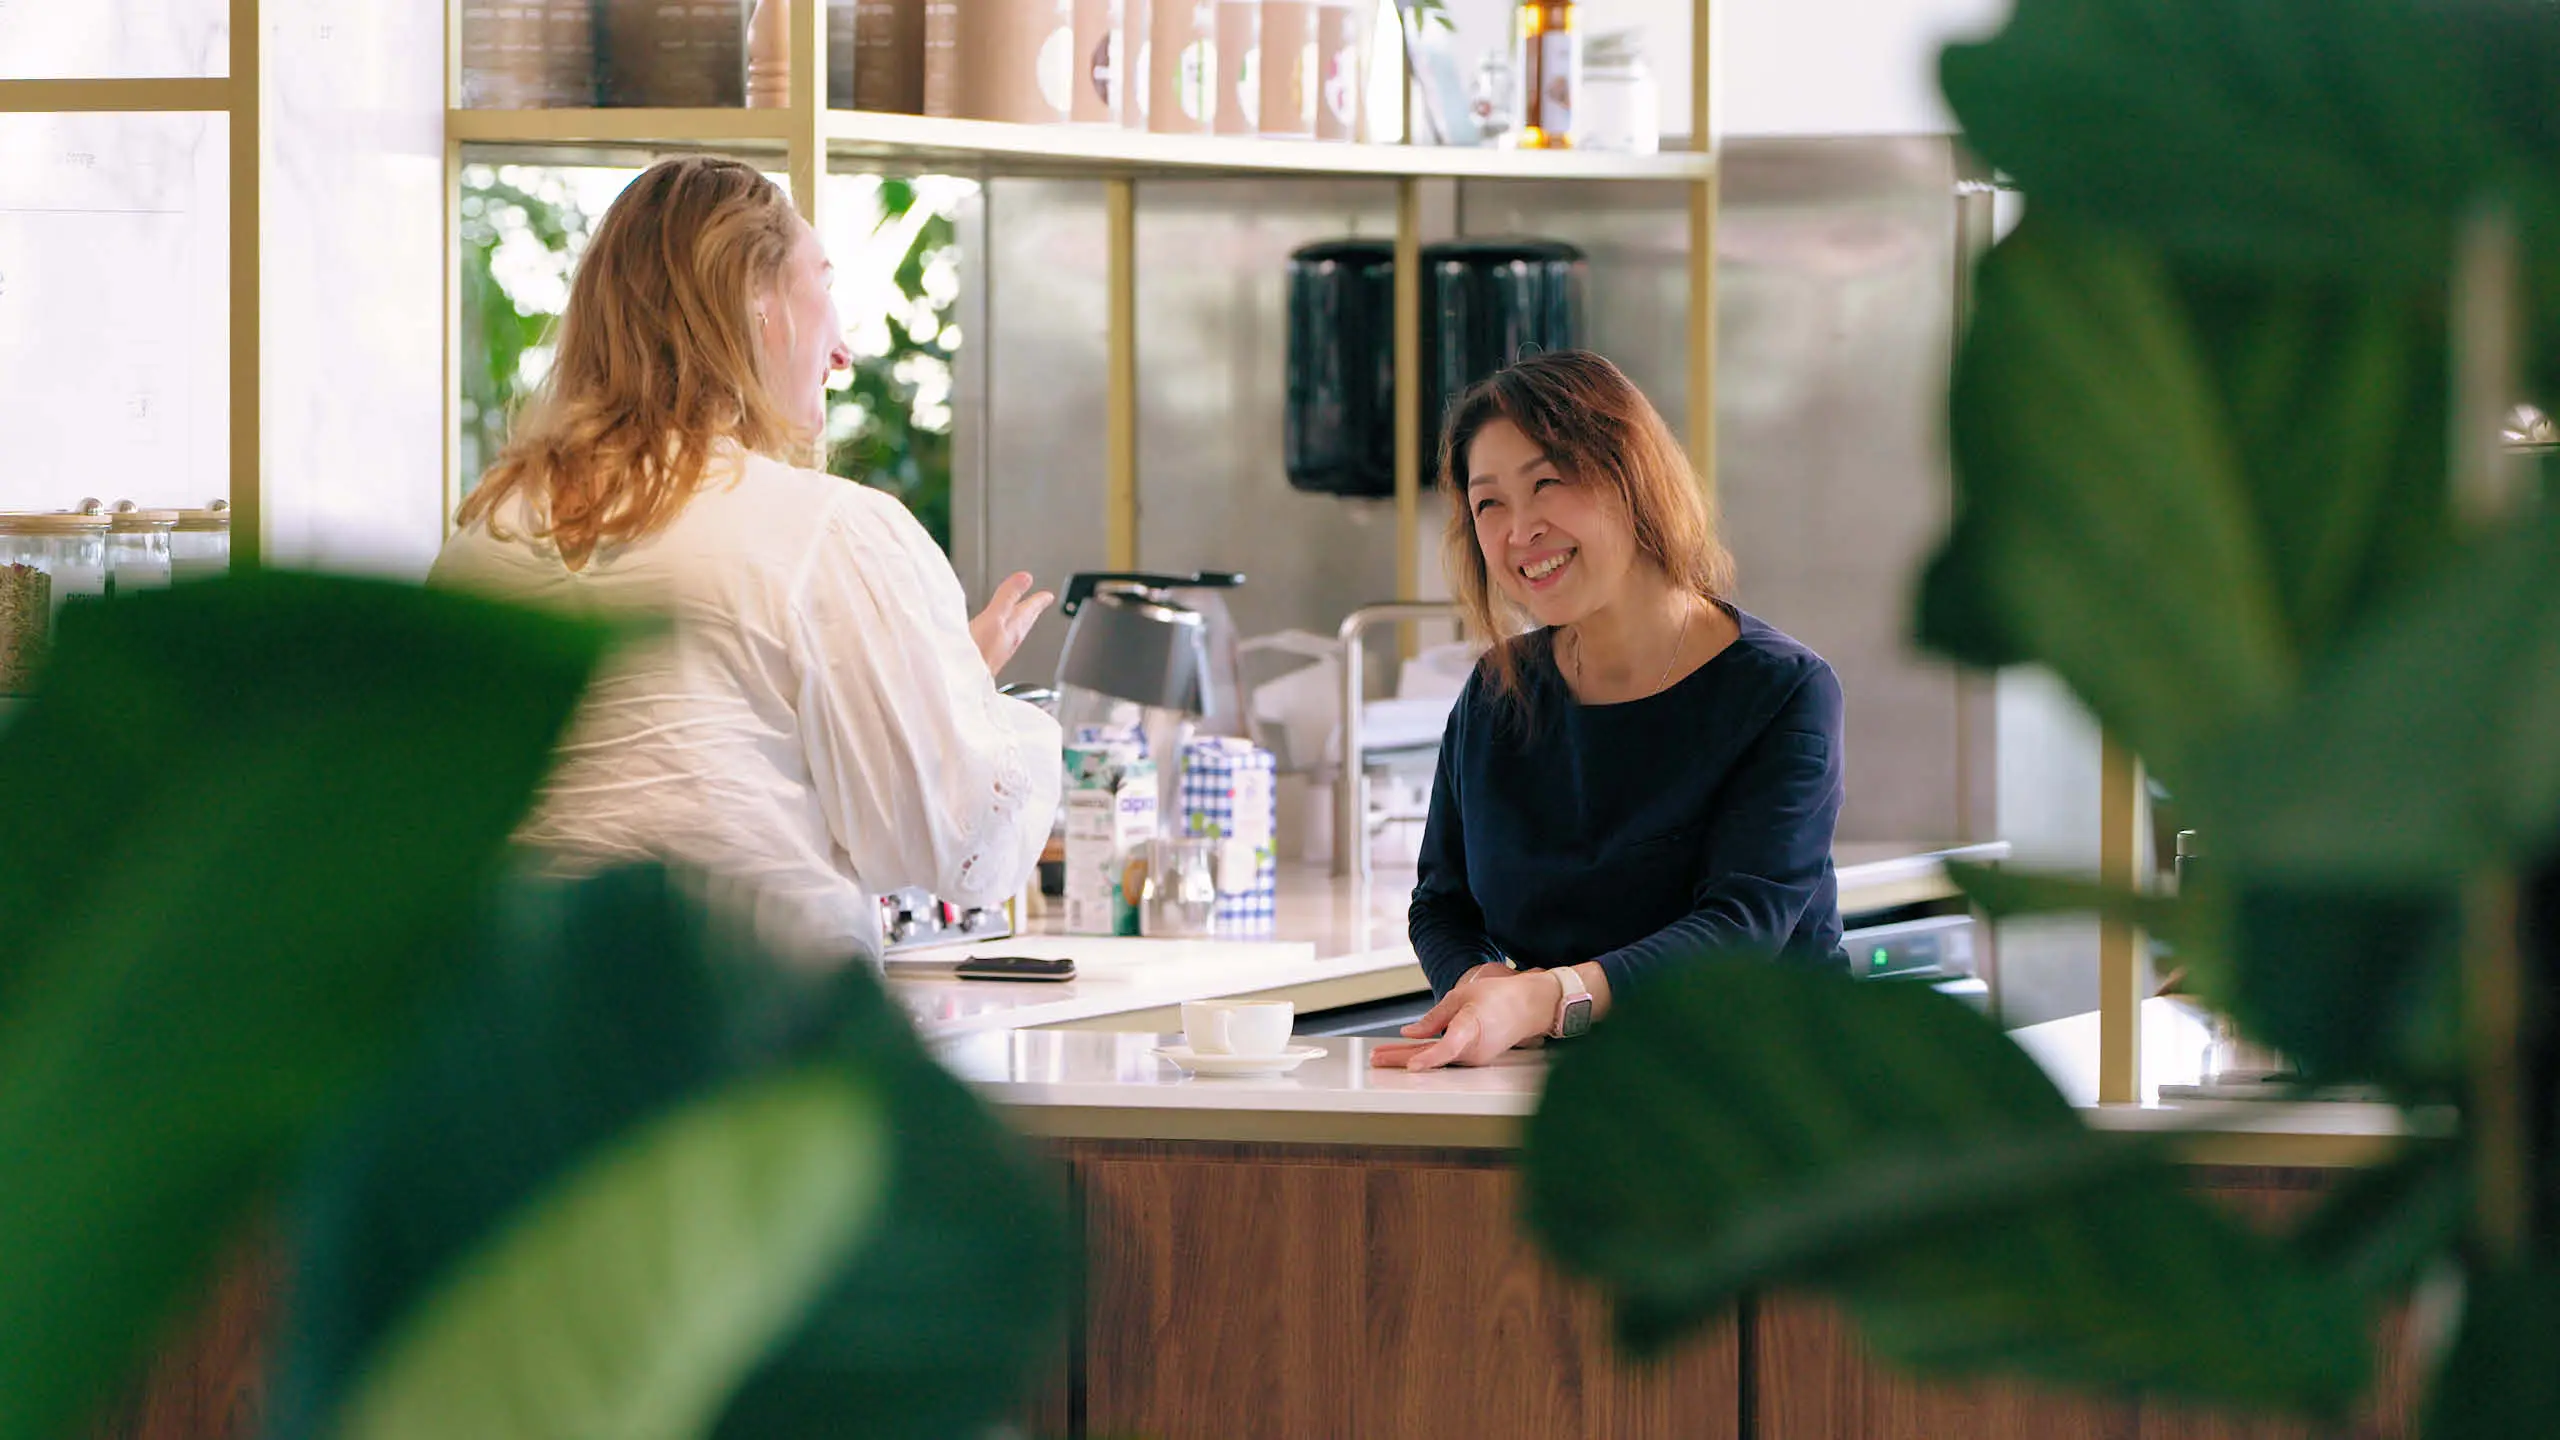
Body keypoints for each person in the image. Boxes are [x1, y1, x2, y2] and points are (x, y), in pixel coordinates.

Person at [430, 155, 1058, 962]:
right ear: (758, 304)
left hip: (509, 1021)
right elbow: (959, 842)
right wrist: (967, 697)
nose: (842, 351)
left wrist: (920, 684)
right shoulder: (825, 531)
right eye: (824, 284)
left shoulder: (485, 531)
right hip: (744, 1015)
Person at [1376, 350, 1847, 1071]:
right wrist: (1482, 985)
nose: (1519, 530)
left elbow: (1741, 926)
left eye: (1547, 484)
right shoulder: (1498, 690)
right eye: (1488, 503)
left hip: (1770, 1086)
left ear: (1631, 480)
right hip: (1575, 1091)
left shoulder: (1782, 691)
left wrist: (1546, 1000)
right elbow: (1442, 902)